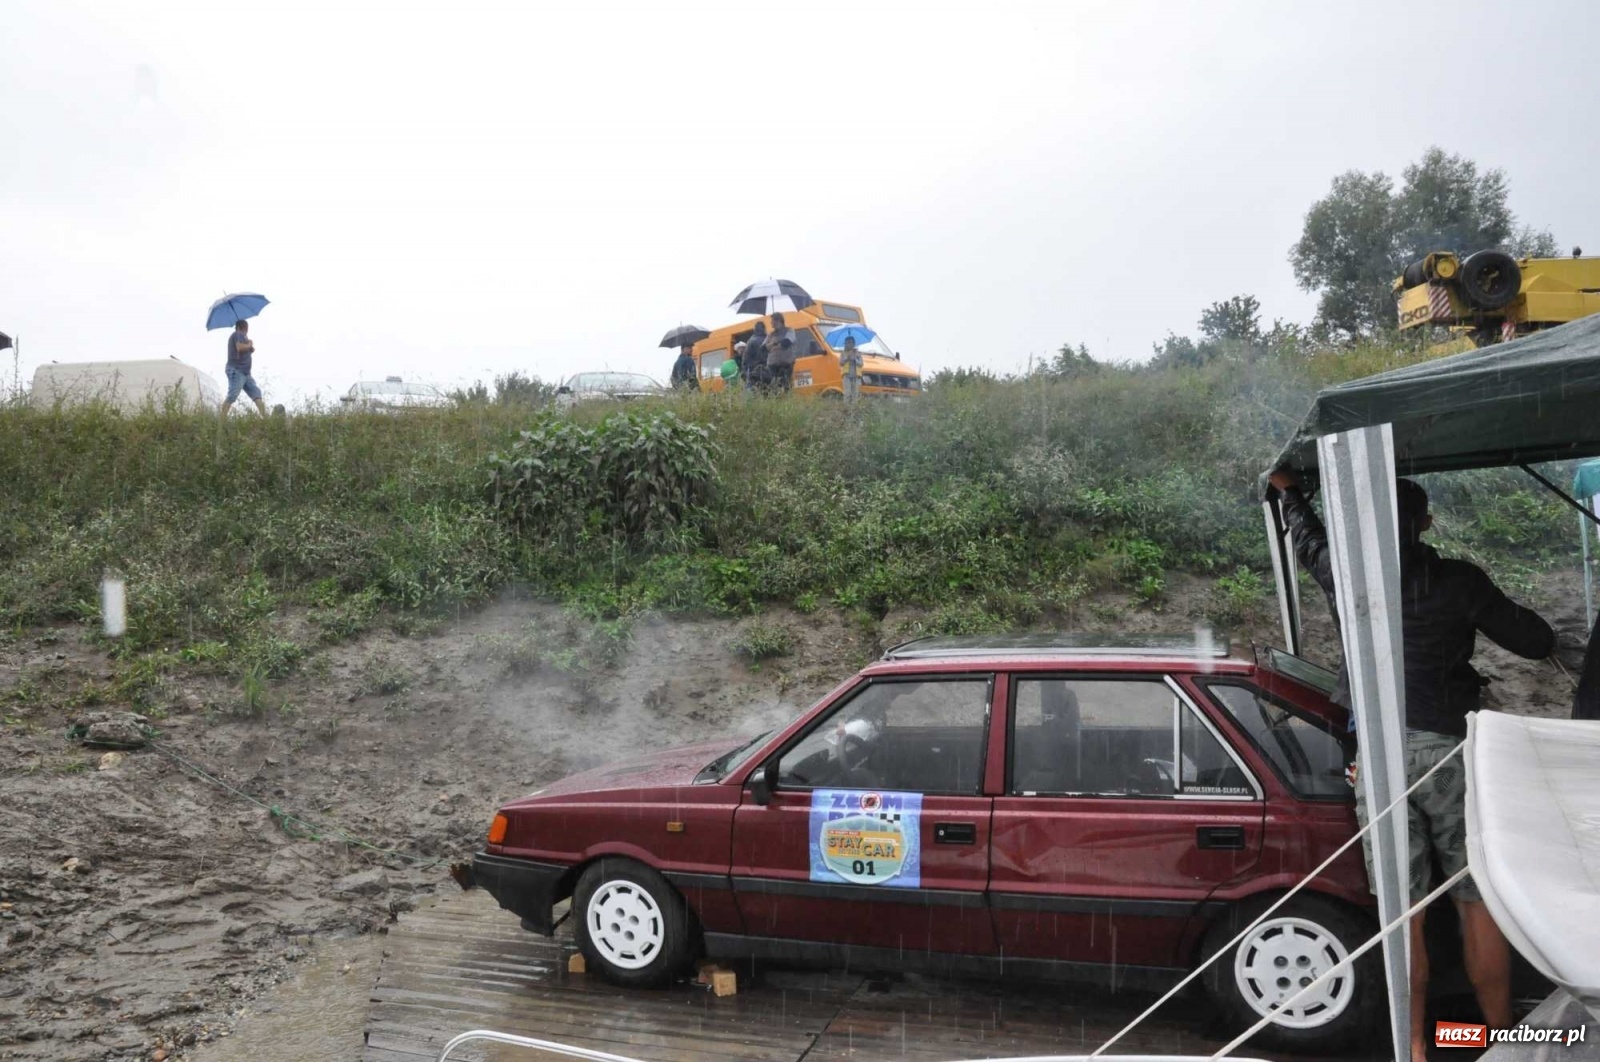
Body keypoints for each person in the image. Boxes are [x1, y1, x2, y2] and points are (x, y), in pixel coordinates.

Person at [1270, 470, 1554, 1061]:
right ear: (1426, 522)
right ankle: (1502, 1040)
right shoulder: (1460, 581)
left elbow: (1309, 539)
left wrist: (1293, 494)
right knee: (1476, 899)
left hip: (1378, 755)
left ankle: (1417, 1046)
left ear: (1365, 530)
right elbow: (1536, 641)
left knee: (1404, 912)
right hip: (1448, 749)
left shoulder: (1349, 577)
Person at [221, 319, 266, 416]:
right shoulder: (238, 334)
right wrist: (249, 344)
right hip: (237, 370)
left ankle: (266, 417)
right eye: (247, 328)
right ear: (244, 327)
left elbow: (243, 348)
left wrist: (250, 347)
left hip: (245, 373)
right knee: (232, 394)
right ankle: (221, 420)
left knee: (256, 392)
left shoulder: (241, 337)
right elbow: (239, 347)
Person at [742, 322, 769, 391]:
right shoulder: (769, 340)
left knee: (756, 397)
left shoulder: (751, 342)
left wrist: (746, 375)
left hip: (755, 374)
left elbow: (745, 362)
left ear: (755, 330)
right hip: (769, 373)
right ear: (764, 329)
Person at [840, 335, 864, 402]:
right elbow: (841, 363)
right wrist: (847, 357)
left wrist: (855, 359)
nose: (848, 344)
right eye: (847, 342)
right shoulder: (843, 353)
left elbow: (861, 364)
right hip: (847, 375)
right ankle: (846, 407)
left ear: (853, 344)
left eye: (850, 342)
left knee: (855, 393)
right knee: (847, 392)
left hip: (856, 376)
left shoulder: (858, 353)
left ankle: (854, 408)